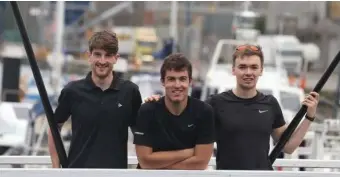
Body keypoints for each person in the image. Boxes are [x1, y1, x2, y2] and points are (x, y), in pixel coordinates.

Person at [144, 44, 320, 170]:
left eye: (253, 67)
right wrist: (159, 102)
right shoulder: (215, 103)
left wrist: (309, 117)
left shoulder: (270, 103)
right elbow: (183, 121)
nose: (248, 72)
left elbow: (288, 146)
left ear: (261, 70)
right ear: (233, 70)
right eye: (242, 67)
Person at [48, 30, 142, 168]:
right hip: (77, 174)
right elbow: (54, 128)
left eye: (108, 55)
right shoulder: (72, 91)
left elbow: (141, 132)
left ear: (116, 58)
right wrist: (55, 169)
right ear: (89, 56)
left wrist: (142, 166)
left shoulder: (130, 91)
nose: (102, 61)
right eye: (98, 54)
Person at [133, 53, 215, 170]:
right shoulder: (147, 111)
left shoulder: (204, 112)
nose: (177, 85)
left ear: (190, 81)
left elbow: (200, 163)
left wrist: (160, 167)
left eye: (182, 79)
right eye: (171, 79)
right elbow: (145, 162)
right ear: (162, 81)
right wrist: (189, 153)